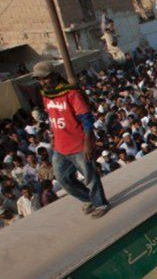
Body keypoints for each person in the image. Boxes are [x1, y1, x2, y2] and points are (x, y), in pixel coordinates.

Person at [33, 61, 109, 218]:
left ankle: (100, 203)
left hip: (78, 145)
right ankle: (88, 198)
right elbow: (52, 117)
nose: (42, 82)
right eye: (39, 79)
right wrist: (53, 136)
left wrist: (87, 143)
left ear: (54, 76)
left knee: (90, 177)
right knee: (63, 179)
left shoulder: (71, 93)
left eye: (45, 78)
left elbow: (86, 119)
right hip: (60, 147)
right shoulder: (46, 96)